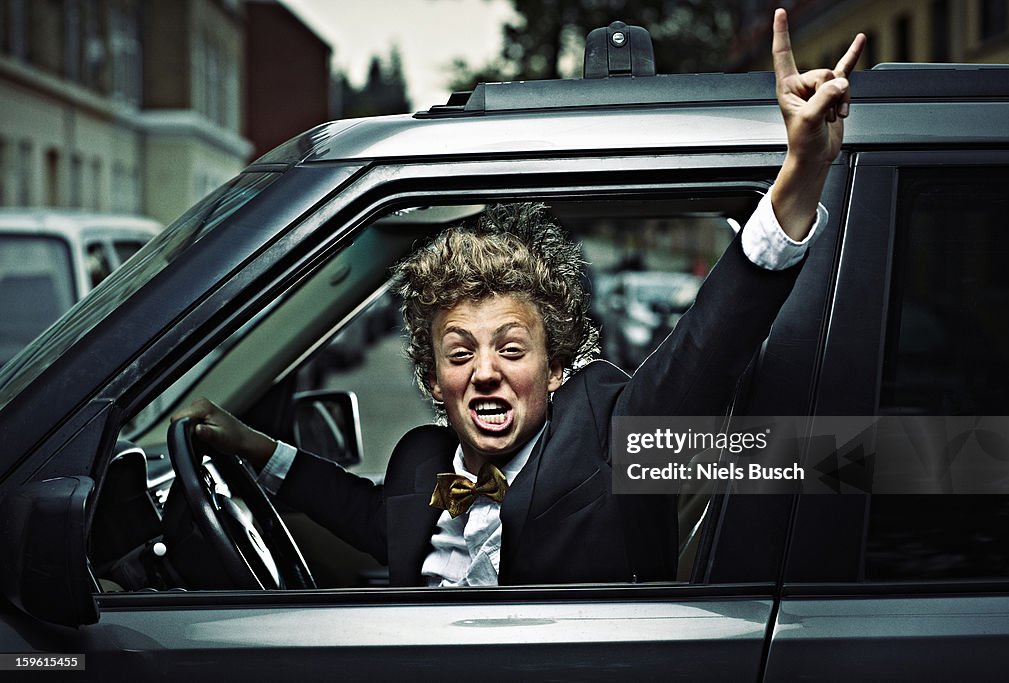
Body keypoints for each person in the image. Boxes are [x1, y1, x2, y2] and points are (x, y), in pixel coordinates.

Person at [172, 10, 865, 587]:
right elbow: (361, 512)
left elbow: (707, 347)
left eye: (510, 347)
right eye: (459, 352)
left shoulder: (603, 434)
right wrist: (251, 445)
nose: (483, 371)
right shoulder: (424, 462)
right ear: (432, 378)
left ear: (557, 366)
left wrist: (801, 175)